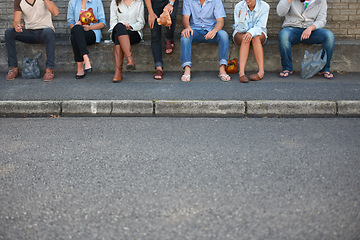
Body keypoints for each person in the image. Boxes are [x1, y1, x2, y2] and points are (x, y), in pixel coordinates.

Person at [277, 0, 335, 79]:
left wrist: (311, 28)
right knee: (283, 35)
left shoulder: (321, 1)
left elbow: (322, 20)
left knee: (329, 36)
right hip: (292, 29)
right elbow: (280, 13)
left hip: (311, 31)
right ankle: (287, 68)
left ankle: (324, 69)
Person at [5, 0, 59, 81]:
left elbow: (55, 13)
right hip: (29, 32)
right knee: (9, 32)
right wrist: (17, 26)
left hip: (44, 32)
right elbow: (16, 20)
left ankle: (49, 70)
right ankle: (14, 69)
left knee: (48, 31)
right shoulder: (19, 1)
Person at [180, 0, 231, 82]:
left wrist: (214, 31)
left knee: (223, 35)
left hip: (211, 32)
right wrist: (188, 27)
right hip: (195, 31)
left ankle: (222, 69)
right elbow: (185, 17)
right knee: (185, 36)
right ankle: (187, 69)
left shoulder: (216, 1)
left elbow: (220, 21)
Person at [67, 0, 106, 79]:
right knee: (76, 30)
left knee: (74, 35)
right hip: (78, 32)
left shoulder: (97, 2)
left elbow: (103, 23)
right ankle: (85, 57)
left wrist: (89, 27)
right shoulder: (73, 2)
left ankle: (80, 68)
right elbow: (70, 22)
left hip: (92, 32)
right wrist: (75, 26)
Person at [233, 0, 269, 83]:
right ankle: (241, 73)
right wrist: (242, 18)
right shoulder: (239, 6)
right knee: (246, 38)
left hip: (259, 33)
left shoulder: (264, 6)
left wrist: (251, 32)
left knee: (255, 37)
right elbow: (239, 28)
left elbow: (261, 26)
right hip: (241, 33)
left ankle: (261, 72)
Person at [109, 0, 145, 82]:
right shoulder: (115, 2)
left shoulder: (139, 2)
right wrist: (122, 25)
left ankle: (118, 71)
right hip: (117, 31)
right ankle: (130, 60)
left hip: (133, 33)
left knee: (120, 34)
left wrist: (131, 26)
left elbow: (141, 23)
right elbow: (113, 23)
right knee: (119, 27)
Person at [144, 0, 179, 80]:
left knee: (171, 16)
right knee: (155, 34)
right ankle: (158, 67)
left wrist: (170, 4)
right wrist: (151, 12)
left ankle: (169, 38)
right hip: (154, 3)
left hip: (169, 1)